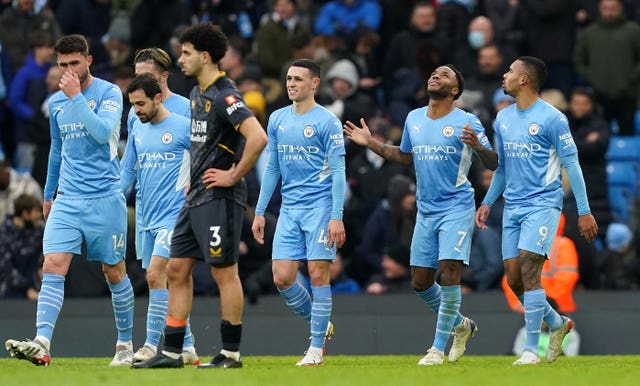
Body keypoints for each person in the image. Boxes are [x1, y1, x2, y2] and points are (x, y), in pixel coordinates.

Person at [132, 23, 267, 369]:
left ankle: (231, 354)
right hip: (195, 199)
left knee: (224, 272)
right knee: (176, 269)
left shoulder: (226, 95)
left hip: (219, 198)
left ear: (205, 56)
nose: (180, 59)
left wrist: (233, 175)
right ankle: (173, 353)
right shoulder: (196, 94)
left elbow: (257, 137)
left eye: (186, 53)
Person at [344, 64, 498, 365]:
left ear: (454, 90)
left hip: (457, 206)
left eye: (444, 75)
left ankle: (437, 349)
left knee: (450, 269)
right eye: (434, 73)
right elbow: (403, 156)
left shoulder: (468, 121)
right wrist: (371, 142)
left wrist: (478, 145)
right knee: (421, 281)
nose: (435, 76)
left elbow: (493, 162)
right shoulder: (414, 118)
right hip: (426, 210)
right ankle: (461, 325)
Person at [5, 34, 134, 366]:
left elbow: (105, 133)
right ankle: (42, 341)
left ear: (88, 60)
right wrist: (49, 195)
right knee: (52, 265)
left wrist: (76, 97)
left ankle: (124, 345)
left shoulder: (108, 93)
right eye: (62, 65)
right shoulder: (57, 102)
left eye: (74, 63)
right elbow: (57, 151)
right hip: (68, 199)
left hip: (105, 196)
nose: (68, 71)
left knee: (114, 271)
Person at [475, 56, 598, 365]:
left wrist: (584, 210)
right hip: (512, 207)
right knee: (514, 279)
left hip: (543, 203)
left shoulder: (553, 118)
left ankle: (531, 350)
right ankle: (557, 323)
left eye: (510, 71)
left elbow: (572, 164)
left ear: (524, 79)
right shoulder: (502, 119)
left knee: (530, 269)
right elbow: (502, 168)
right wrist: (489, 202)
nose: (504, 76)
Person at [251, 59, 346, 366]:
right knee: (282, 278)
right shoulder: (277, 119)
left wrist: (336, 216)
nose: (291, 84)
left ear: (314, 84)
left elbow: (339, 172)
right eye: (289, 78)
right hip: (290, 208)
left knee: (318, 274)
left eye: (298, 79)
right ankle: (320, 324)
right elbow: (273, 168)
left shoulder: (327, 121)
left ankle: (316, 349)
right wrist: (261, 211)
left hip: (320, 207)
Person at [120, 73, 198, 365]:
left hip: (176, 217)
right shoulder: (139, 130)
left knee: (155, 275)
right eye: (133, 105)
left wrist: (197, 183)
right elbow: (128, 170)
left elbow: (207, 160)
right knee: (166, 283)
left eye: (141, 104)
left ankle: (151, 346)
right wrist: (112, 196)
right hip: (147, 218)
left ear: (158, 98)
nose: (137, 110)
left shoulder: (182, 126)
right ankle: (188, 347)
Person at [0, 193, 43, 300]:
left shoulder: (37, 231)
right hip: (10, 293)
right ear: (25, 213)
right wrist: (27, 289)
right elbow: (6, 267)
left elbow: (43, 254)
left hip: (35, 291)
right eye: (35, 211)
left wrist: (42, 267)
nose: (39, 215)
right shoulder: (5, 234)